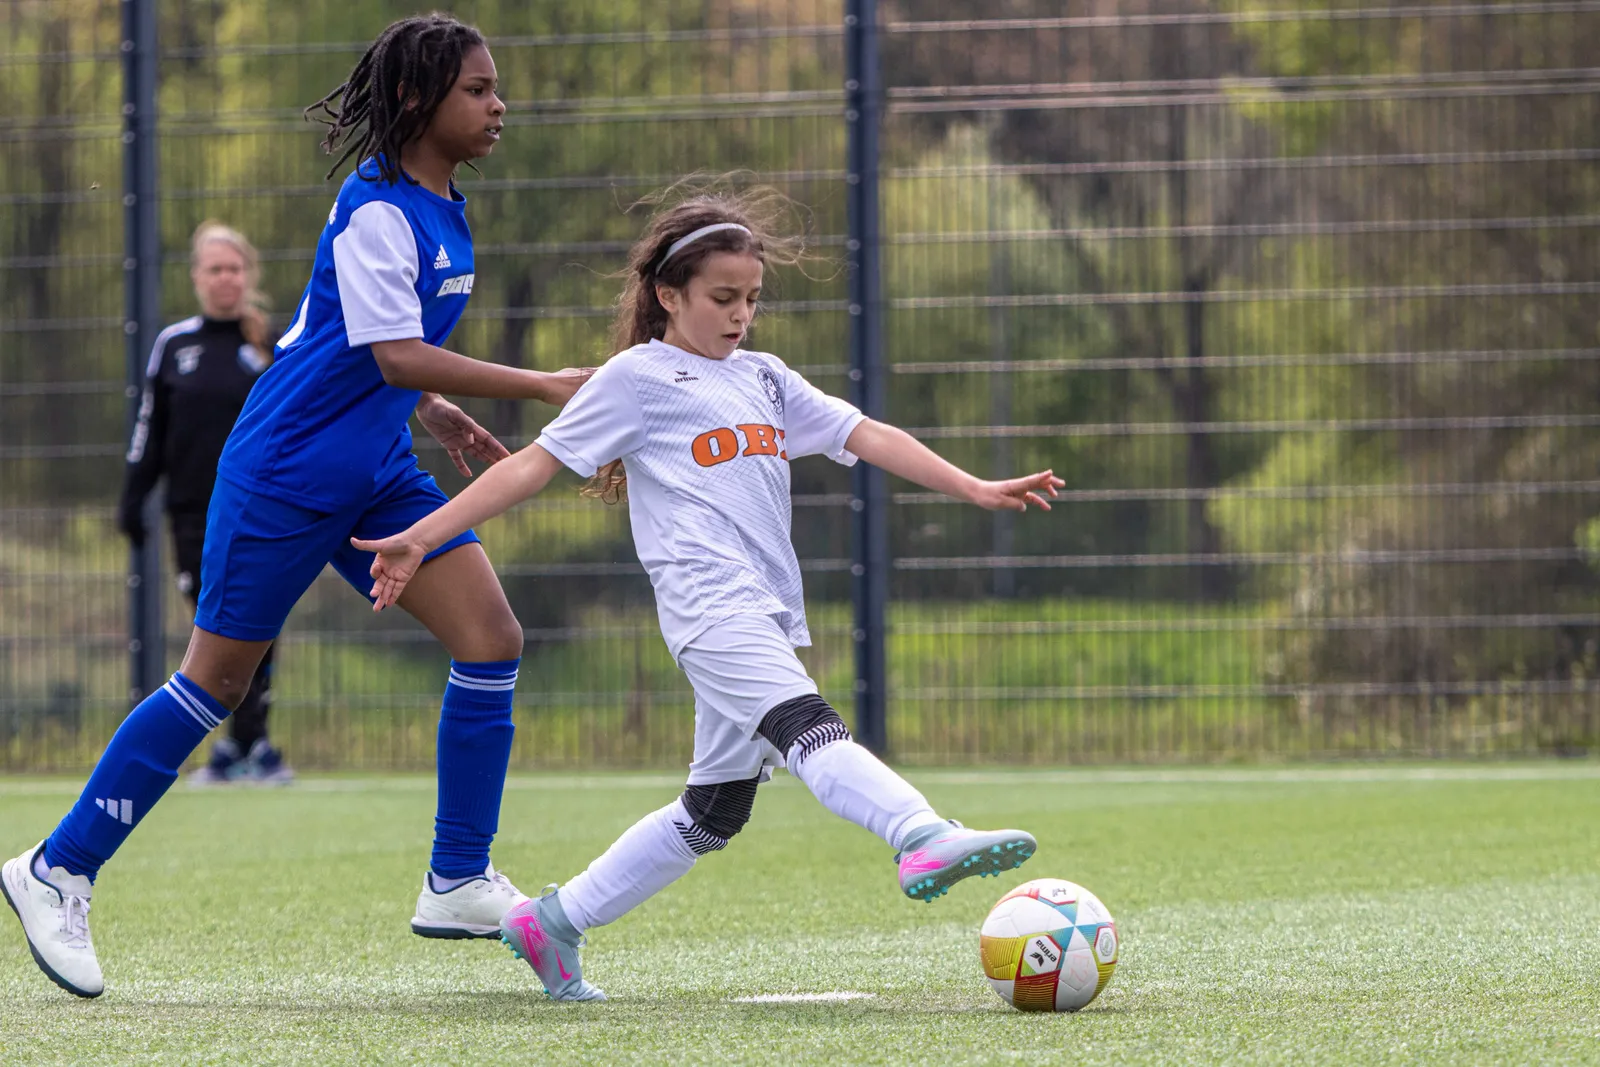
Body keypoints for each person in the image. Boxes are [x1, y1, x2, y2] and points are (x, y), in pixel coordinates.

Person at [350, 186, 1064, 1001]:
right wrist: (424, 534)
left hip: (763, 608)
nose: (740, 315)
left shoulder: (765, 377)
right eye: (723, 297)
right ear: (668, 293)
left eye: (751, 299)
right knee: (806, 723)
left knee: (714, 808)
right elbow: (531, 467)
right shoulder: (635, 378)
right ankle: (920, 832)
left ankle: (551, 921)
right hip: (707, 606)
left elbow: (863, 432)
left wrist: (973, 486)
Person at [1, 13, 590, 999]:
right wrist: (536, 384)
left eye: (495, 88)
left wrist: (432, 408)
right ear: (416, 100)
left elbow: (338, 333)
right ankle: (57, 867)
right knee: (216, 682)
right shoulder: (377, 209)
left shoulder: (443, 205)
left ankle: (456, 875)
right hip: (285, 469)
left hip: (375, 467)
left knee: (491, 637)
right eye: (478, 90)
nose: (499, 106)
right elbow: (392, 352)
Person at [118, 220, 292, 785]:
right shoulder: (174, 345)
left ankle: (250, 745)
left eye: (234, 269)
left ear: (248, 275)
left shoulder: (274, 344)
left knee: (261, 619)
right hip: (194, 515)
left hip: (265, 510)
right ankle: (239, 744)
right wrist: (133, 497)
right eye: (215, 269)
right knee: (215, 623)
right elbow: (150, 428)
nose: (226, 279)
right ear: (197, 277)